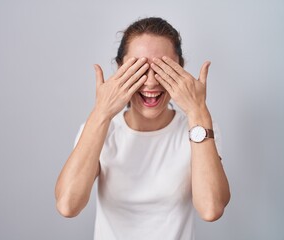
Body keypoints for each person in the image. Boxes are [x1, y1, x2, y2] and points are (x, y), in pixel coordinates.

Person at [55, 17, 230, 240]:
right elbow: (68, 205)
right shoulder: (100, 129)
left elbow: (211, 208)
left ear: (181, 70)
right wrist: (101, 112)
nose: (150, 82)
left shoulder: (201, 130)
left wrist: (197, 111)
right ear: (119, 70)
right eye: (138, 69)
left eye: (162, 68)